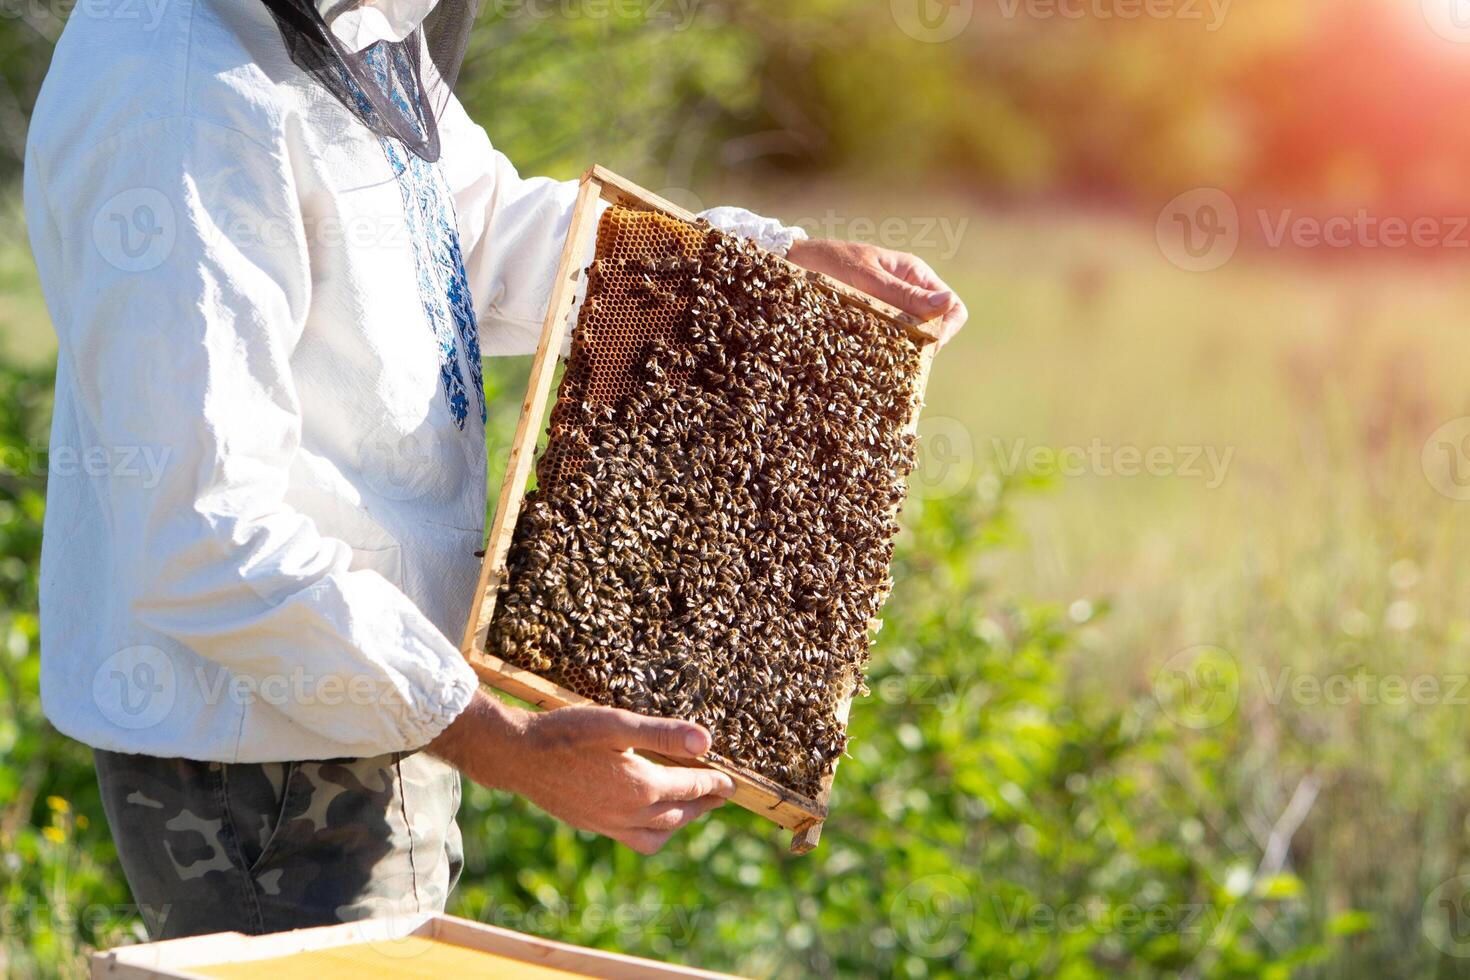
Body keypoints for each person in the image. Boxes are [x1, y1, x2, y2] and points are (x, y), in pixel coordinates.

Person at [23, 0, 969, 941]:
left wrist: (768, 269)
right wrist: (505, 744)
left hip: (376, 719)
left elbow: (472, 236)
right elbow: (202, 527)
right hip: (263, 767)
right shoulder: (182, 90)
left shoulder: (342, 26)